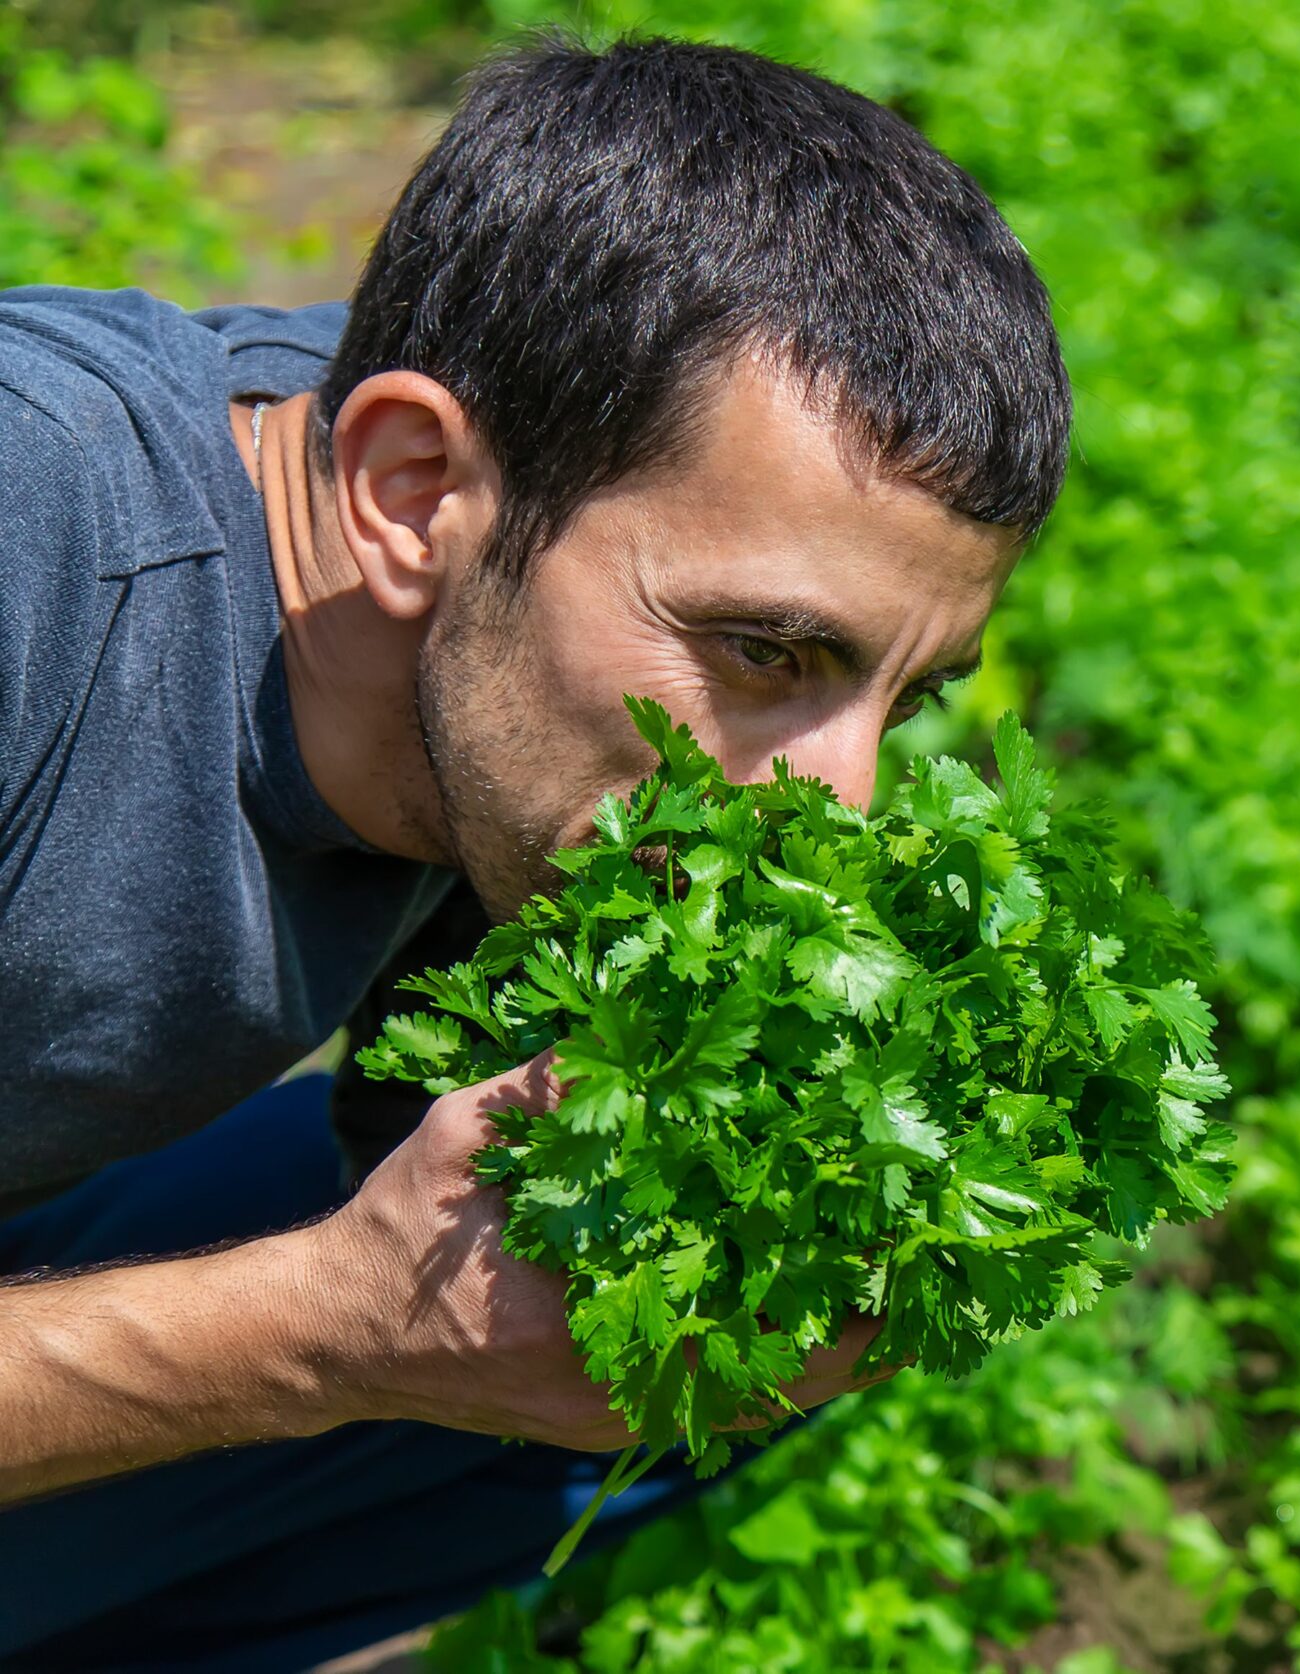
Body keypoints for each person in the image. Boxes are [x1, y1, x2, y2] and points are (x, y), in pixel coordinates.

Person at [0, 30, 1070, 1669]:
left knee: (690, 1317)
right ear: (410, 487)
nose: (832, 812)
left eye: (900, 695)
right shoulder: (38, 574)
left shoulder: (486, 607)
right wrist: (325, 1333)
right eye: (763, 653)